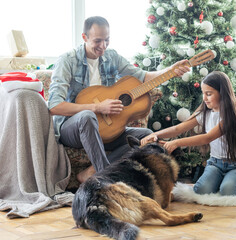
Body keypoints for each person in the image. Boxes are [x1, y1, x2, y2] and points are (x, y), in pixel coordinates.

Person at [48, 16, 190, 183]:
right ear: (84, 37)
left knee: (146, 136)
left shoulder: (111, 57)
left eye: (107, 40)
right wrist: (97, 107)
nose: (103, 46)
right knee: (87, 116)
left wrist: (170, 70)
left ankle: (92, 172)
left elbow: (143, 77)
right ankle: (104, 181)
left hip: (104, 130)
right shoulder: (67, 60)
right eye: (97, 41)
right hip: (72, 127)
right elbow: (55, 106)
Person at [141, 71, 236, 196]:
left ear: (222, 94)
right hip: (216, 164)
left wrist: (176, 142)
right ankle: (222, 179)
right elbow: (178, 129)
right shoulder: (204, 112)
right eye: (203, 93)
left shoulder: (230, 117)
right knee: (201, 190)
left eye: (209, 94)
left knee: (228, 191)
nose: (204, 98)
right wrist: (155, 134)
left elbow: (207, 138)